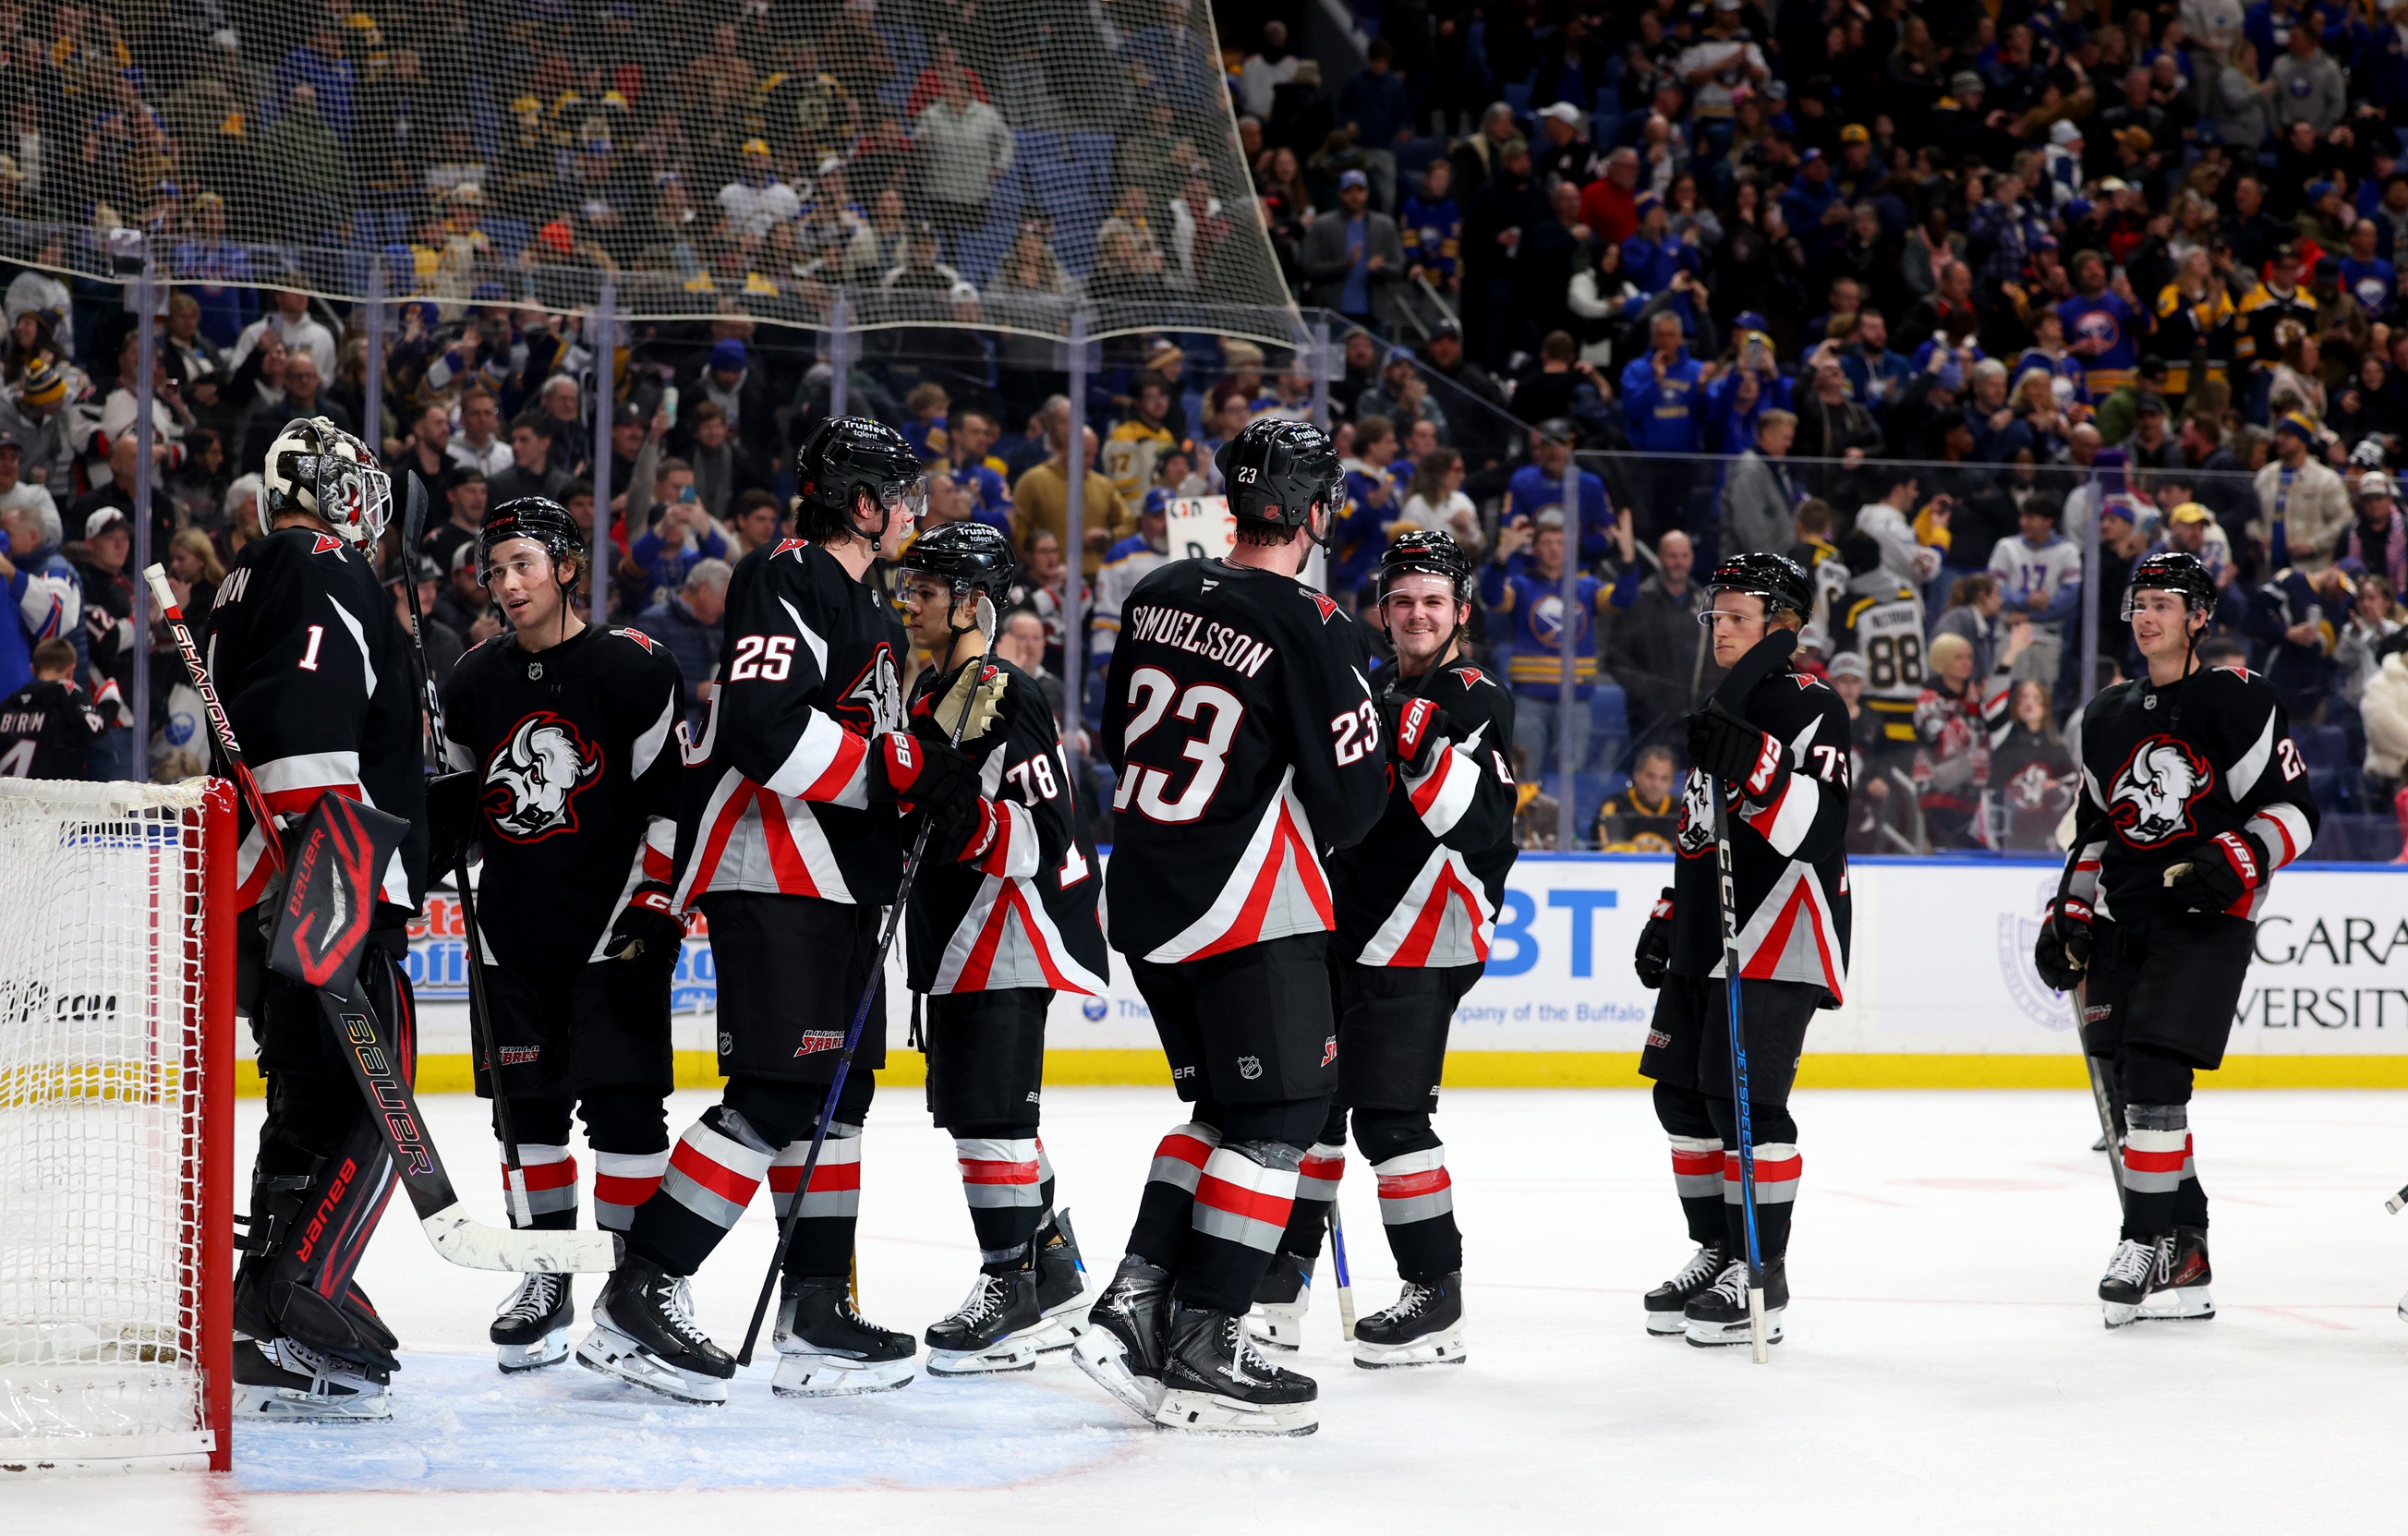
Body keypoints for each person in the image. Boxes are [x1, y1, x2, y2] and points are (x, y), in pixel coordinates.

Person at [575, 418, 980, 1404]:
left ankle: (815, 1309)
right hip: (776, 867)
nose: (911, 511)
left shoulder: (876, 613)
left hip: (842, 880)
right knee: (771, 1097)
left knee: (838, 1099)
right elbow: (763, 730)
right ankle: (642, 1290)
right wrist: (895, 769)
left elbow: (890, 752)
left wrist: (935, 764)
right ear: (862, 501)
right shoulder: (783, 574)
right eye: (899, 493)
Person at [1073, 417, 1388, 1436]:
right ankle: (1208, 1335)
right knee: (1282, 1121)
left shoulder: (1157, 593)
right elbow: (1349, 808)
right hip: (1251, 908)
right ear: (1311, 511)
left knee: (1219, 1112)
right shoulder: (1318, 625)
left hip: (1153, 896)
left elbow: (1124, 733)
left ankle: (1134, 1300)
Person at [1248, 531, 1517, 1369]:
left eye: (1433, 600)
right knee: (1315, 1108)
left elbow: (1466, 819)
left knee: (1392, 1117)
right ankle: (1279, 1281)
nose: (1415, 613)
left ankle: (1435, 1294)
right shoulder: (1371, 686)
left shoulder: (1476, 694)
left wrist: (1399, 726)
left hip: (1426, 932)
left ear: (1460, 613)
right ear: (1381, 611)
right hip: (1352, 922)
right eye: (1401, 600)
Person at [202, 418, 425, 1418]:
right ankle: (307, 1292)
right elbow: (302, 719)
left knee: (304, 1097)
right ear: (313, 484)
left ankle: (262, 1309)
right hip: (328, 869)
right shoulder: (316, 556)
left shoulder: (254, 571)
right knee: (380, 1092)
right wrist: (327, 879)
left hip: (277, 875)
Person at [2033, 552, 2319, 1327]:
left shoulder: (2236, 698)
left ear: (2198, 616)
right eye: (2138, 602)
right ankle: (2184, 1252)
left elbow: (2294, 812)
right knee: (2131, 1085)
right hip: (2126, 919)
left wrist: (2229, 862)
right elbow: (2094, 831)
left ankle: (2141, 1235)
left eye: (2163, 602)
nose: (2145, 615)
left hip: (2206, 919)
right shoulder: (2104, 715)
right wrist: (2070, 911)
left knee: (2156, 1066)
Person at [432, 496, 685, 1374]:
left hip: (612, 928)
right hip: (509, 933)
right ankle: (547, 1274)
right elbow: (458, 813)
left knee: (624, 1112)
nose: (507, 584)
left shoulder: (637, 667)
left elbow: (670, 800)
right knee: (525, 1115)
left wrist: (660, 902)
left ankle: (630, 1288)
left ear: (567, 567)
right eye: (494, 570)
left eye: (523, 566)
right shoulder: (469, 681)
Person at [888, 522, 1107, 1375]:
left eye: (928, 590)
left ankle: (1009, 1286)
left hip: (1005, 925)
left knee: (993, 1117)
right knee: (974, 1114)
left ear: (973, 602)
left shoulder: (1004, 690)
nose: (910, 602)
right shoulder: (926, 689)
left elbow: (1041, 833)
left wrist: (944, 805)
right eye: (908, 588)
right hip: (956, 928)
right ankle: (1048, 1267)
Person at [1631, 552, 1849, 1347]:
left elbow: (1815, 832)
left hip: (1778, 926)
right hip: (1707, 927)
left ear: (1779, 624)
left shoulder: (1809, 701)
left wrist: (1755, 765)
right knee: (1680, 1096)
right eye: (1713, 615)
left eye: (1736, 616)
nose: (1718, 627)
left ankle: (1763, 1270)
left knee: (1744, 1103)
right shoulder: (1721, 698)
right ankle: (1718, 1245)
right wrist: (1666, 910)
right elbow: (1700, 823)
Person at [1986, 495, 2083, 688]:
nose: (2024, 523)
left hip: (2048, 636)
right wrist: (2028, 600)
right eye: (2022, 517)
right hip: (2009, 633)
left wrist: (2028, 616)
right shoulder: (2006, 547)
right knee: (2005, 693)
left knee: (2044, 699)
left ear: (2048, 521)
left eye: (2030, 518)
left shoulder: (2067, 551)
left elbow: (2069, 599)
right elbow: (1994, 591)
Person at [1986, 679, 2076, 851]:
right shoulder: (2003, 740)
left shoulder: (2055, 746)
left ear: (2045, 706)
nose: (2029, 703)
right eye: (2023, 698)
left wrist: (2056, 788)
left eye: (2036, 698)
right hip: (2008, 828)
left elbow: (2071, 786)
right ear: (2015, 705)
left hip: (2045, 831)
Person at [1091, 487, 1173, 677]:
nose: (1166, 525)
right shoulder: (1121, 555)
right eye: (1159, 517)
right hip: (1136, 661)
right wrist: (1107, 667)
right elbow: (1106, 617)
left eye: (1170, 516)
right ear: (1143, 521)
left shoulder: (1196, 555)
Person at [0, 634, 99, 777]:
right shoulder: (66, 695)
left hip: (7, 793)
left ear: (32, 669)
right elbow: (94, 727)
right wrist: (111, 704)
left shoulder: (10, 702)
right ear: (71, 670)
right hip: (50, 795)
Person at [1596, 744, 1684, 851]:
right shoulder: (1615, 805)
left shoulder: (1682, 810)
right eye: (1650, 776)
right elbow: (1612, 852)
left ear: (1672, 782)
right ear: (1636, 775)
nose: (1656, 785)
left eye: (1664, 779)